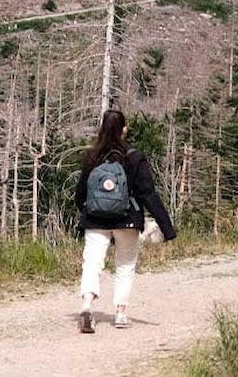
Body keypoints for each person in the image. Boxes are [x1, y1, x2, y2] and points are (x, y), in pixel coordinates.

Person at [75, 108, 176, 333]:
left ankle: (87, 305)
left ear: (102, 128)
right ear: (124, 129)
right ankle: (120, 313)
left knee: (92, 263)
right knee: (125, 265)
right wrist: (166, 227)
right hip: (127, 220)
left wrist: (85, 210)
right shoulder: (134, 157)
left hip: (95, 219)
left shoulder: (92, 156)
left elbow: (80, 191)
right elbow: (148, 193)